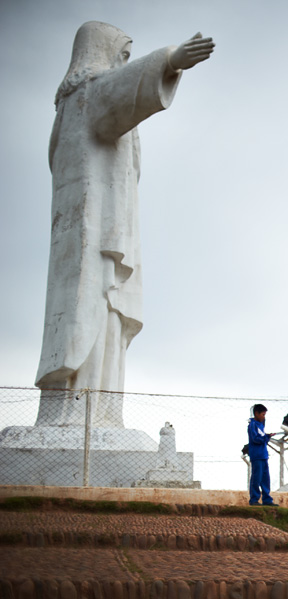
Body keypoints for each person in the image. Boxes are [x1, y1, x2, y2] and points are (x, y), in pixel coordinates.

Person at [35, 23, 215, 425]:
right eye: (124, 55)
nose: (124, 64)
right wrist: (168, 60)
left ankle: (99, 415)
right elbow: (118, 93)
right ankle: (82, 418)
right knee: (96, 308)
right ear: (101, 52)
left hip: (96, 236)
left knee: (107, 316)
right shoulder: (85, 96)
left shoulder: (71, 107)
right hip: (95, 237)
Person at [247, 404, 276, 506]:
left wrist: (267, 437)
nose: (264, 417)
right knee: (256, 478)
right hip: (257, 455)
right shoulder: (252, 425)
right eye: (263, 414)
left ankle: (267, 499)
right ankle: (254, 499)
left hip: (264, 455)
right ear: (256, 413)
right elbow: (255, 439)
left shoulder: (261, 424)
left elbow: (262, 437)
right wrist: (265, 438)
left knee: (265, 478)